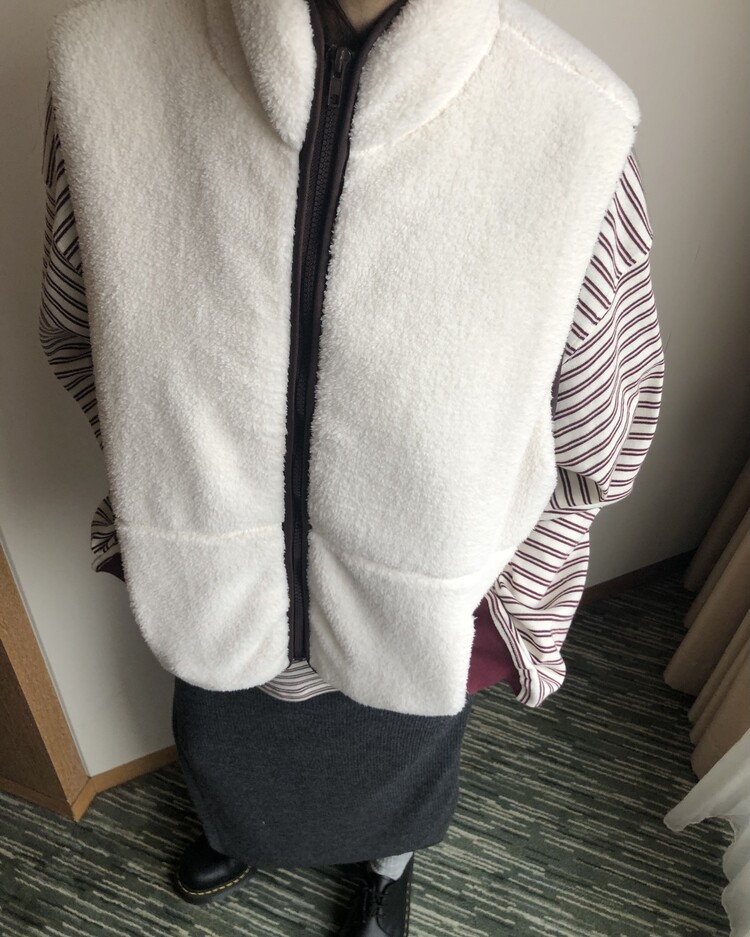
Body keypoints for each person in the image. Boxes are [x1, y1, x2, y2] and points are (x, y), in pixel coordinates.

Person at [40, 0, 664, 933]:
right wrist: (176, 493)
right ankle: (240, 827)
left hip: (423, 593)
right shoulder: (105, 62)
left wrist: (500, 569)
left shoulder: (572, 120)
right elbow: (79, 327)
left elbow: (602, 417)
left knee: (397, 760)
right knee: (225, 732)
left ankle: (384, 867)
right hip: (212, 569)